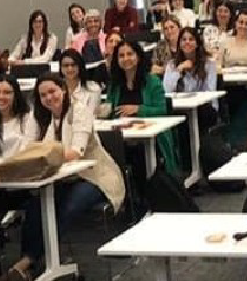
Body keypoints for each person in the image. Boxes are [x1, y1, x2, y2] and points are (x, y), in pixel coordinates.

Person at [1, 75, 126, 281]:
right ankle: (30, 266)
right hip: (59, 178)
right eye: (43, 95)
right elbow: (29, 149)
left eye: (53, 91)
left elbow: (75, 152)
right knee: (35, 206)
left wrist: (44, 156)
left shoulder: (80, 111)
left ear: (63, 90)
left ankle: (27, 263)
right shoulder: (39, 117)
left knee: (69, 207)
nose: (49, 98)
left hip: (93, 175)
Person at [105, 39, 178, 173]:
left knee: (137, 152)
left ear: (138, 56)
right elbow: (110, 111)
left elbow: (162, 110)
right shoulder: (115, 85)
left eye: (130, 54)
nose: (126, 58)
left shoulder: (152, 81)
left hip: (152, 138)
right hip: (122, 136)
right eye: (121, 55)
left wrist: (138, 109)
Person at [163, 25, 220, 122]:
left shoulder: (209, 64)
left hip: (204, 107)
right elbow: (167, 91)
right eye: (183, 40)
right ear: (179, 44)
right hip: (180, 107)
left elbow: (209, 92)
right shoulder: (172, 65)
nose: (187, 42)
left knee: (190, 118)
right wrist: (179, 70)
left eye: (191, 39)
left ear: (197, 43)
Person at [57, 48, 104, 120]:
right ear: (60, 68)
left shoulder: (93, 88)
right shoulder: (55, 89)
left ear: (80, 66)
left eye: (73, 65)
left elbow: (91, 114)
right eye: (66, 65)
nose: (70, 68)